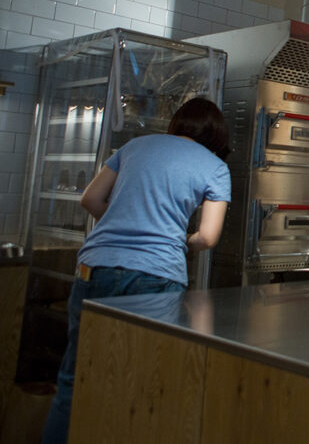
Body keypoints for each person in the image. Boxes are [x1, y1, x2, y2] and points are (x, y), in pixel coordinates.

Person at [42, 98, 232, 444]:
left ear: (177, 123)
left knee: (75, 376)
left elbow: (90, 199)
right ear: (217, 135)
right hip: (155, 275)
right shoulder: (215, 167)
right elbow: (207, 237)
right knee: (141, 381)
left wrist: (125, 221)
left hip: (95, 265)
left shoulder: (135, 146)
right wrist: (178, 238)